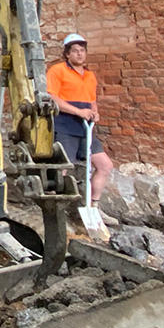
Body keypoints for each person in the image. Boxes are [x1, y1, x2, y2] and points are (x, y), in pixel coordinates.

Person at [46, 33, 113, 206]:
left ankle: (94, 206)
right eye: (75, 51)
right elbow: (53, 98)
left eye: (82, 51)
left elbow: (92, 100)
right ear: (67, 54)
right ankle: (56, 207)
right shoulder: (57, 71)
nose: (79, 54)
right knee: (62, 168)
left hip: (85, 128)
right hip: (64, 125)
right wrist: (78, 111)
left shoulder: (89, 76)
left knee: (104, 165)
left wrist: (94, 112)